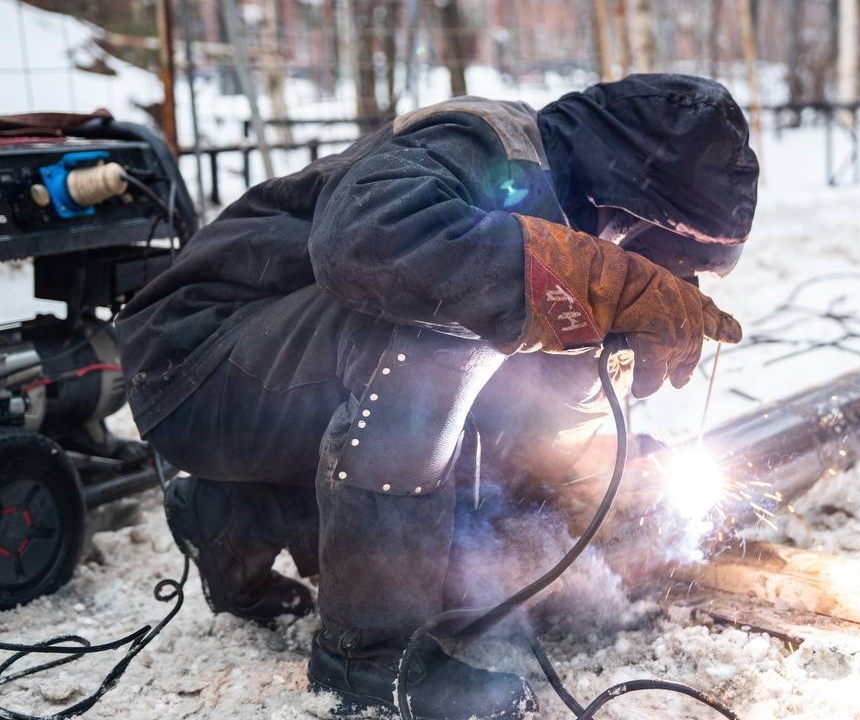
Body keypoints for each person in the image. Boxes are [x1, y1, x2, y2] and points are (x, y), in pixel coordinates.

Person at [118, 74, 758, 720]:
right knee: (442, 329)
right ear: (635, 209)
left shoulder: (566, 214)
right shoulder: (481, 140)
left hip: (265, 394)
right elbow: (359, 241)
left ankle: (233, 515)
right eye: (675, 261)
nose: (675, 279)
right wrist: (604, 282)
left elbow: (529, 428)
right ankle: (367, 658)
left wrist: (614, 413)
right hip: (191, 359)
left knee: (486, 468)